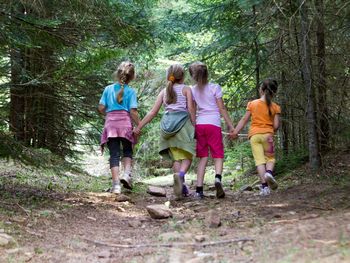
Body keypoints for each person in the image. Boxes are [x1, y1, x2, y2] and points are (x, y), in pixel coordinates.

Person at [133, 64, 195, 199]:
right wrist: (196, 124)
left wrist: (139, 127)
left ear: (169, 76)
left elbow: (152, 112)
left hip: (167, 126)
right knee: (188, 155)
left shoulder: (164, 91)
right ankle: (181, 176)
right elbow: (190, 109)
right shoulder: (186, 89)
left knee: (176, 158)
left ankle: (181, 187)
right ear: (183, 76)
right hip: (183, 126)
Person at [189, 62, 235, 199]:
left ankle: (198, 189)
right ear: (207, 73)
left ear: (193, 76)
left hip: (200, 124)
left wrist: (193, 125)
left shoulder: (192, 90)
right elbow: (222, 109)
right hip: (214, 124)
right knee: (218, 154)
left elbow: (192, 109)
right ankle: (218, 178)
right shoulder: (215, 87)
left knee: (202, 157)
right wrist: (231, 126)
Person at [231, 78, 281, 196]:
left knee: (259, 161)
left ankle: (264, 188)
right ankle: (269, 173)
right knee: (270, 159)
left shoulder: (252, 104)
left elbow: (244, 120)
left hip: (254, 136)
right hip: (268, 136)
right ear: (274, 92)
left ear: (262, 90)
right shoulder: (275, 107)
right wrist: (270, 130)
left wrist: (235, 132)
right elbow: (276, 125)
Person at [98, 61, 140, 194]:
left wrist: (110, 114)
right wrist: (139, 125)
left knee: (114, 154)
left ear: (117, 74)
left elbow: (101, 108)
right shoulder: (131, 91)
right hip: (125, 125)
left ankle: (116, 185)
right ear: (132, 77)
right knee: (127, 151)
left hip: (111, 124)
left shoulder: (108, 89)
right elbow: (133, 111)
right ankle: (126, 174)